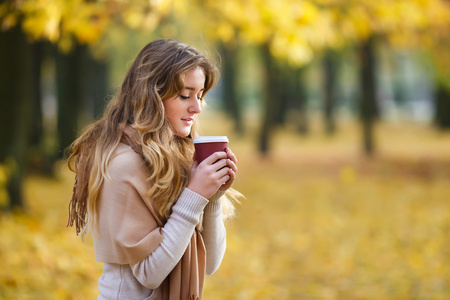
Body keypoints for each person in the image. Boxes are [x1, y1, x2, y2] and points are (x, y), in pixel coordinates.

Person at [67, 38, 241, 300]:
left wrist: (212, 197)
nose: (196, 107)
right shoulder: (122, 164)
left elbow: (210, 264)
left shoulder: (178, 159)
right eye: (185, 95)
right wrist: (194, 195)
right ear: (151, 95)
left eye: (200, 95)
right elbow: (149, 273)